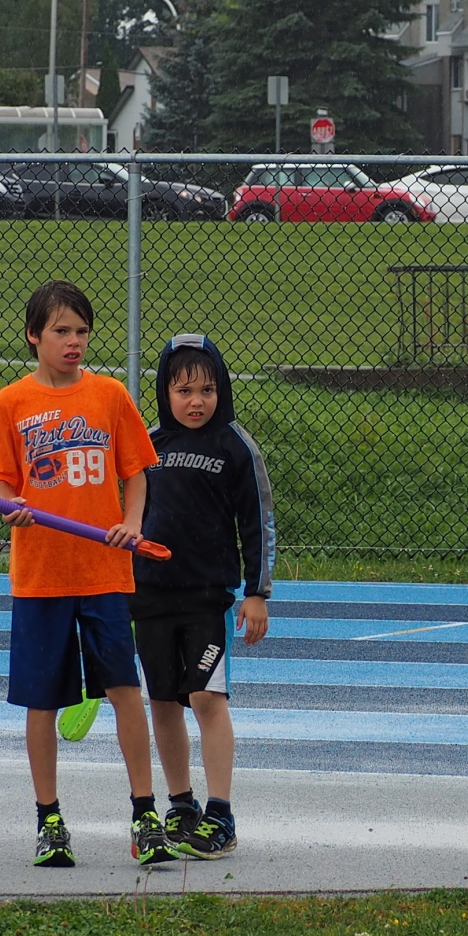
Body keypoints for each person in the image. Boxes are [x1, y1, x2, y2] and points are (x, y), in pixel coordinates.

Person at [0, 280, 159, 869]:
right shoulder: (10, 403)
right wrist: (10, 505)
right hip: (41, 578)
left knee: (126, 690)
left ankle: (144, 812)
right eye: (61, 331)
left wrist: (132, 522)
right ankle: (49, 819)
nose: (74, 341)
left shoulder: (109, 396)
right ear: (34, 336)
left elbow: (136, 473)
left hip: (105, 571)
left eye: (81, 331)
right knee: (41, 701)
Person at [130, 334, 274, 861]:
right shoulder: (146, 446)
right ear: (165, 391)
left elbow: (258, 523)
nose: (196, 401)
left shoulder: (236, 446)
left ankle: (220, 815)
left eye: (207, 389)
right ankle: (182, 804)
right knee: (163, 701)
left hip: (206, 599)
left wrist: (256, 592)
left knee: (206, 700)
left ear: (222, 391)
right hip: (147, 598)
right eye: (184, 389)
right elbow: (125, 517)